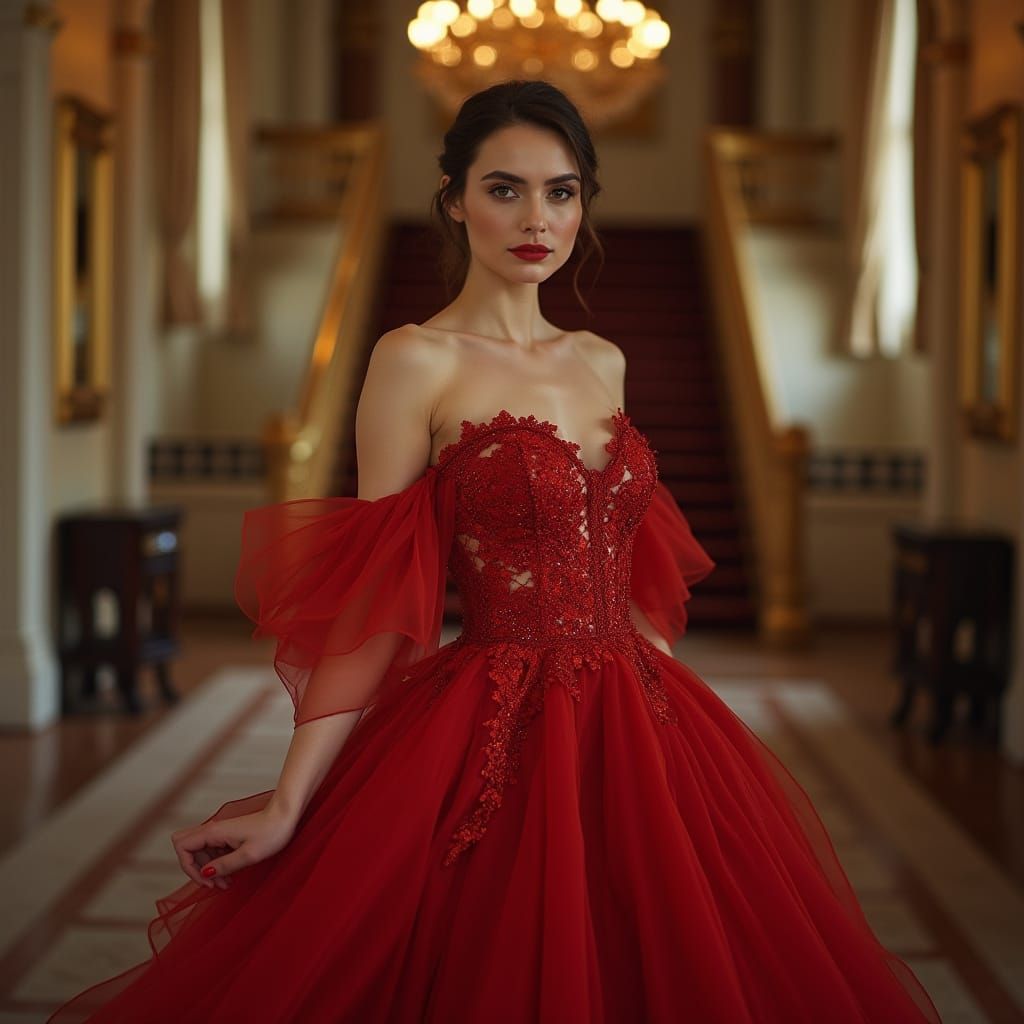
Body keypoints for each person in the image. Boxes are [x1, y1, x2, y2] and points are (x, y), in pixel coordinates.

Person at [45, 79, 942, 1023]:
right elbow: (375, 587)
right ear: (454, 199)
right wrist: (290, 795)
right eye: (504, 188)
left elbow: (626, 565)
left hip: (640, 716)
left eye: (561, 191)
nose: (536, 218)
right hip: (491, 722)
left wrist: (675, 736)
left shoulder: (603, 359)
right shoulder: (414, 359)